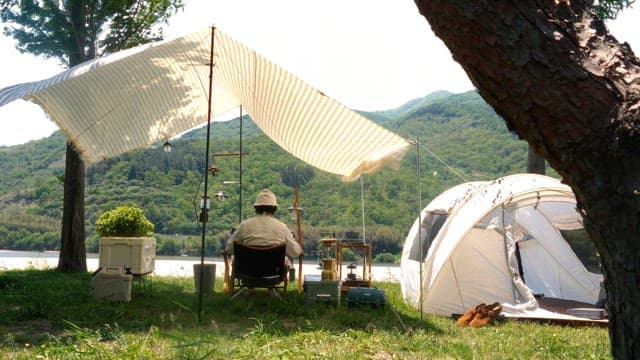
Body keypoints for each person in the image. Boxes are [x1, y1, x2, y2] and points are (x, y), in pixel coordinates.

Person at [223, 189, 302, 267]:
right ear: (274, 209)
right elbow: (295, 252)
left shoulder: (244, 225)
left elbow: (229, 248)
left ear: (256, 208)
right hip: (274, 272)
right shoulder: (282, 227)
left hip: (248, 271)